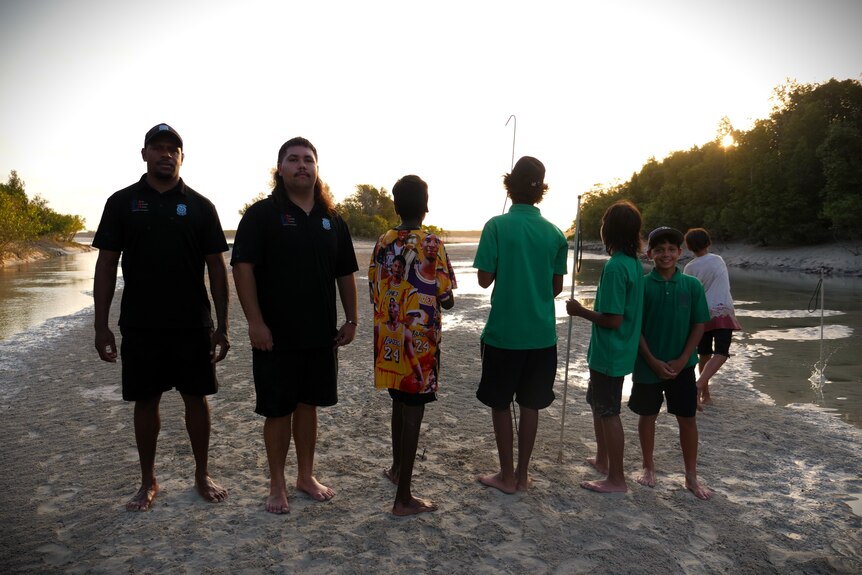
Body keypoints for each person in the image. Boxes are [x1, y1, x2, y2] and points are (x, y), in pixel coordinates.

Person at [93, 123, 230, 512]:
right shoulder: (121, 203)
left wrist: (223, 326)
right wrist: (101, 324)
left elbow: (217, 269)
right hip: (140, 322)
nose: (166, 154)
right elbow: (106, 265)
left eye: (173, 149)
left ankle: (202, 473)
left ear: (182, 157)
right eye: (158, 148)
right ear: (144, 154)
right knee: (145, 400)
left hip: (192, 323)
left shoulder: (201, 206)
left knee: (196, 398)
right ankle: (147, 479)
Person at [231, 137, 358, 514]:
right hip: (275, 335)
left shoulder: (331, 219)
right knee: (277, 410)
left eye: (308, 160)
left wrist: (351, 319)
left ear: (317, 169)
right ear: (280, 168)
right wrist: (255, 322)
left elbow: (345, 273)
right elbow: (242, 268)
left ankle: (305, 476)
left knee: (308, 406)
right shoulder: (261, 215)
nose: (302, 165)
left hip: (320, 335)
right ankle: (276, 485)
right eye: (294, 159)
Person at [474, 156, 568, 494]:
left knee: (501, 405)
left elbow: (484, 280)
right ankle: (523, 475)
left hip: (503, 334)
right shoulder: (556, 234)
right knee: (531, 406)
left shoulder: (496, 226)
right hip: (542, 335)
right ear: (541, 190)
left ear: (509, 186)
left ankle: (506, 476)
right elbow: (555, 287)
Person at [368, 174, 456, 516]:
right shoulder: (431, 243)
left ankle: (396, 469)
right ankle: (403, 497)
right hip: (419, 343)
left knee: (398, 401)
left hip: (389, 339)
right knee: (414, 407)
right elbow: (445, 298)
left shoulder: (382, 242)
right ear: (426, 205)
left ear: (395, 205)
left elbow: (375, 289)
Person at [566, 200, 644, 493]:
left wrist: (579, 311)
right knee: (597, 404)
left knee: (609, 411)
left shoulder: (616, 267)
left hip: (612, 350)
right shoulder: (633, 263)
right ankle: (602, 459)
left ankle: (616, 478)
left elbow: (612, 320)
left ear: (607, 231)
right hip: (615, 351)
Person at [631, 227, 711, 500]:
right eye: (659, 249)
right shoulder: (641, 285)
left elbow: (699, 325)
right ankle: (648, 466)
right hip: (647, 365)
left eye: (671, 249)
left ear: (680, 252)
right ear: (649, 253)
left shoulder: (692, 285)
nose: (665, 254)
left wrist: (682, 359)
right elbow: (635, 328)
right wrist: (652, 360)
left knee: (687, 419)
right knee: (647, 416)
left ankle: (691, 476)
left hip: (684, 366)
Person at [683, 228, 742, 406]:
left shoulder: (689, 267)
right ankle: (700, 384)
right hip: (722, 311)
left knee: (705, 355)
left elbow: (689, 294)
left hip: (702, 314)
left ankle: (705, 395)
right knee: (721, 353)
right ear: (709, 242)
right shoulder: (718, 260)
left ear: (689, 247)